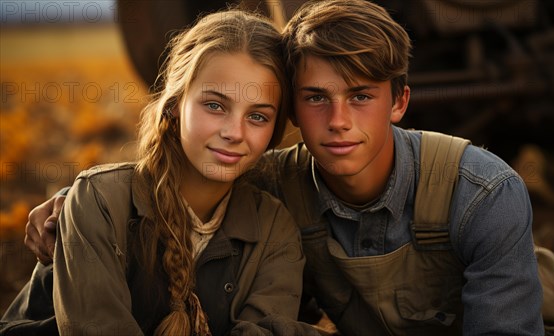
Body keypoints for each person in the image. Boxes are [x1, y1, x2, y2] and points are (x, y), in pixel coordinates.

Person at [15, 0, 548, 335]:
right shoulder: (261, 185)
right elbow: (162, 180)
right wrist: (79, 198)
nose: (338, 121)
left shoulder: (482, 193)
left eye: (361, 96)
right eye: (316, 98)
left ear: (401, 102)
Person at [1, 9, 321, 336]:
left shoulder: (274, 228)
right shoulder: (98, 203)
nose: (234, 132)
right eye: (214, 105)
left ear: (275, 130)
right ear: (174, 105)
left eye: (257, 117)